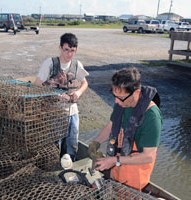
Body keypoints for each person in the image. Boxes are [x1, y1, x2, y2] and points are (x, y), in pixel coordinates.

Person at [88, 66, 162, 191]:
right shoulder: (122, 101)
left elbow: (148, 156)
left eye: (120, 97)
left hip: (134, 173)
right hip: (116, 165)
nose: (116, 101)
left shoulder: (151, 115)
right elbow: (110, 126)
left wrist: (114, 160)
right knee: (113, 198)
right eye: (114, 96)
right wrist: (95, 143)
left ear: (136, 93)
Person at [35, 32, 89, 162]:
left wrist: (78, 93)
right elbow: (37, 85)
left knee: (72, 141)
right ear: (60, 48)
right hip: (53, 112)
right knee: (54, 142)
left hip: (72, 112)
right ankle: (53, 164)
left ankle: (70, 163)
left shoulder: (77, 65)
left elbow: (85, 83)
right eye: (66, 50)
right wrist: (57, 95)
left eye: (72, 51)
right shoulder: (50, 63)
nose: (69, 54)